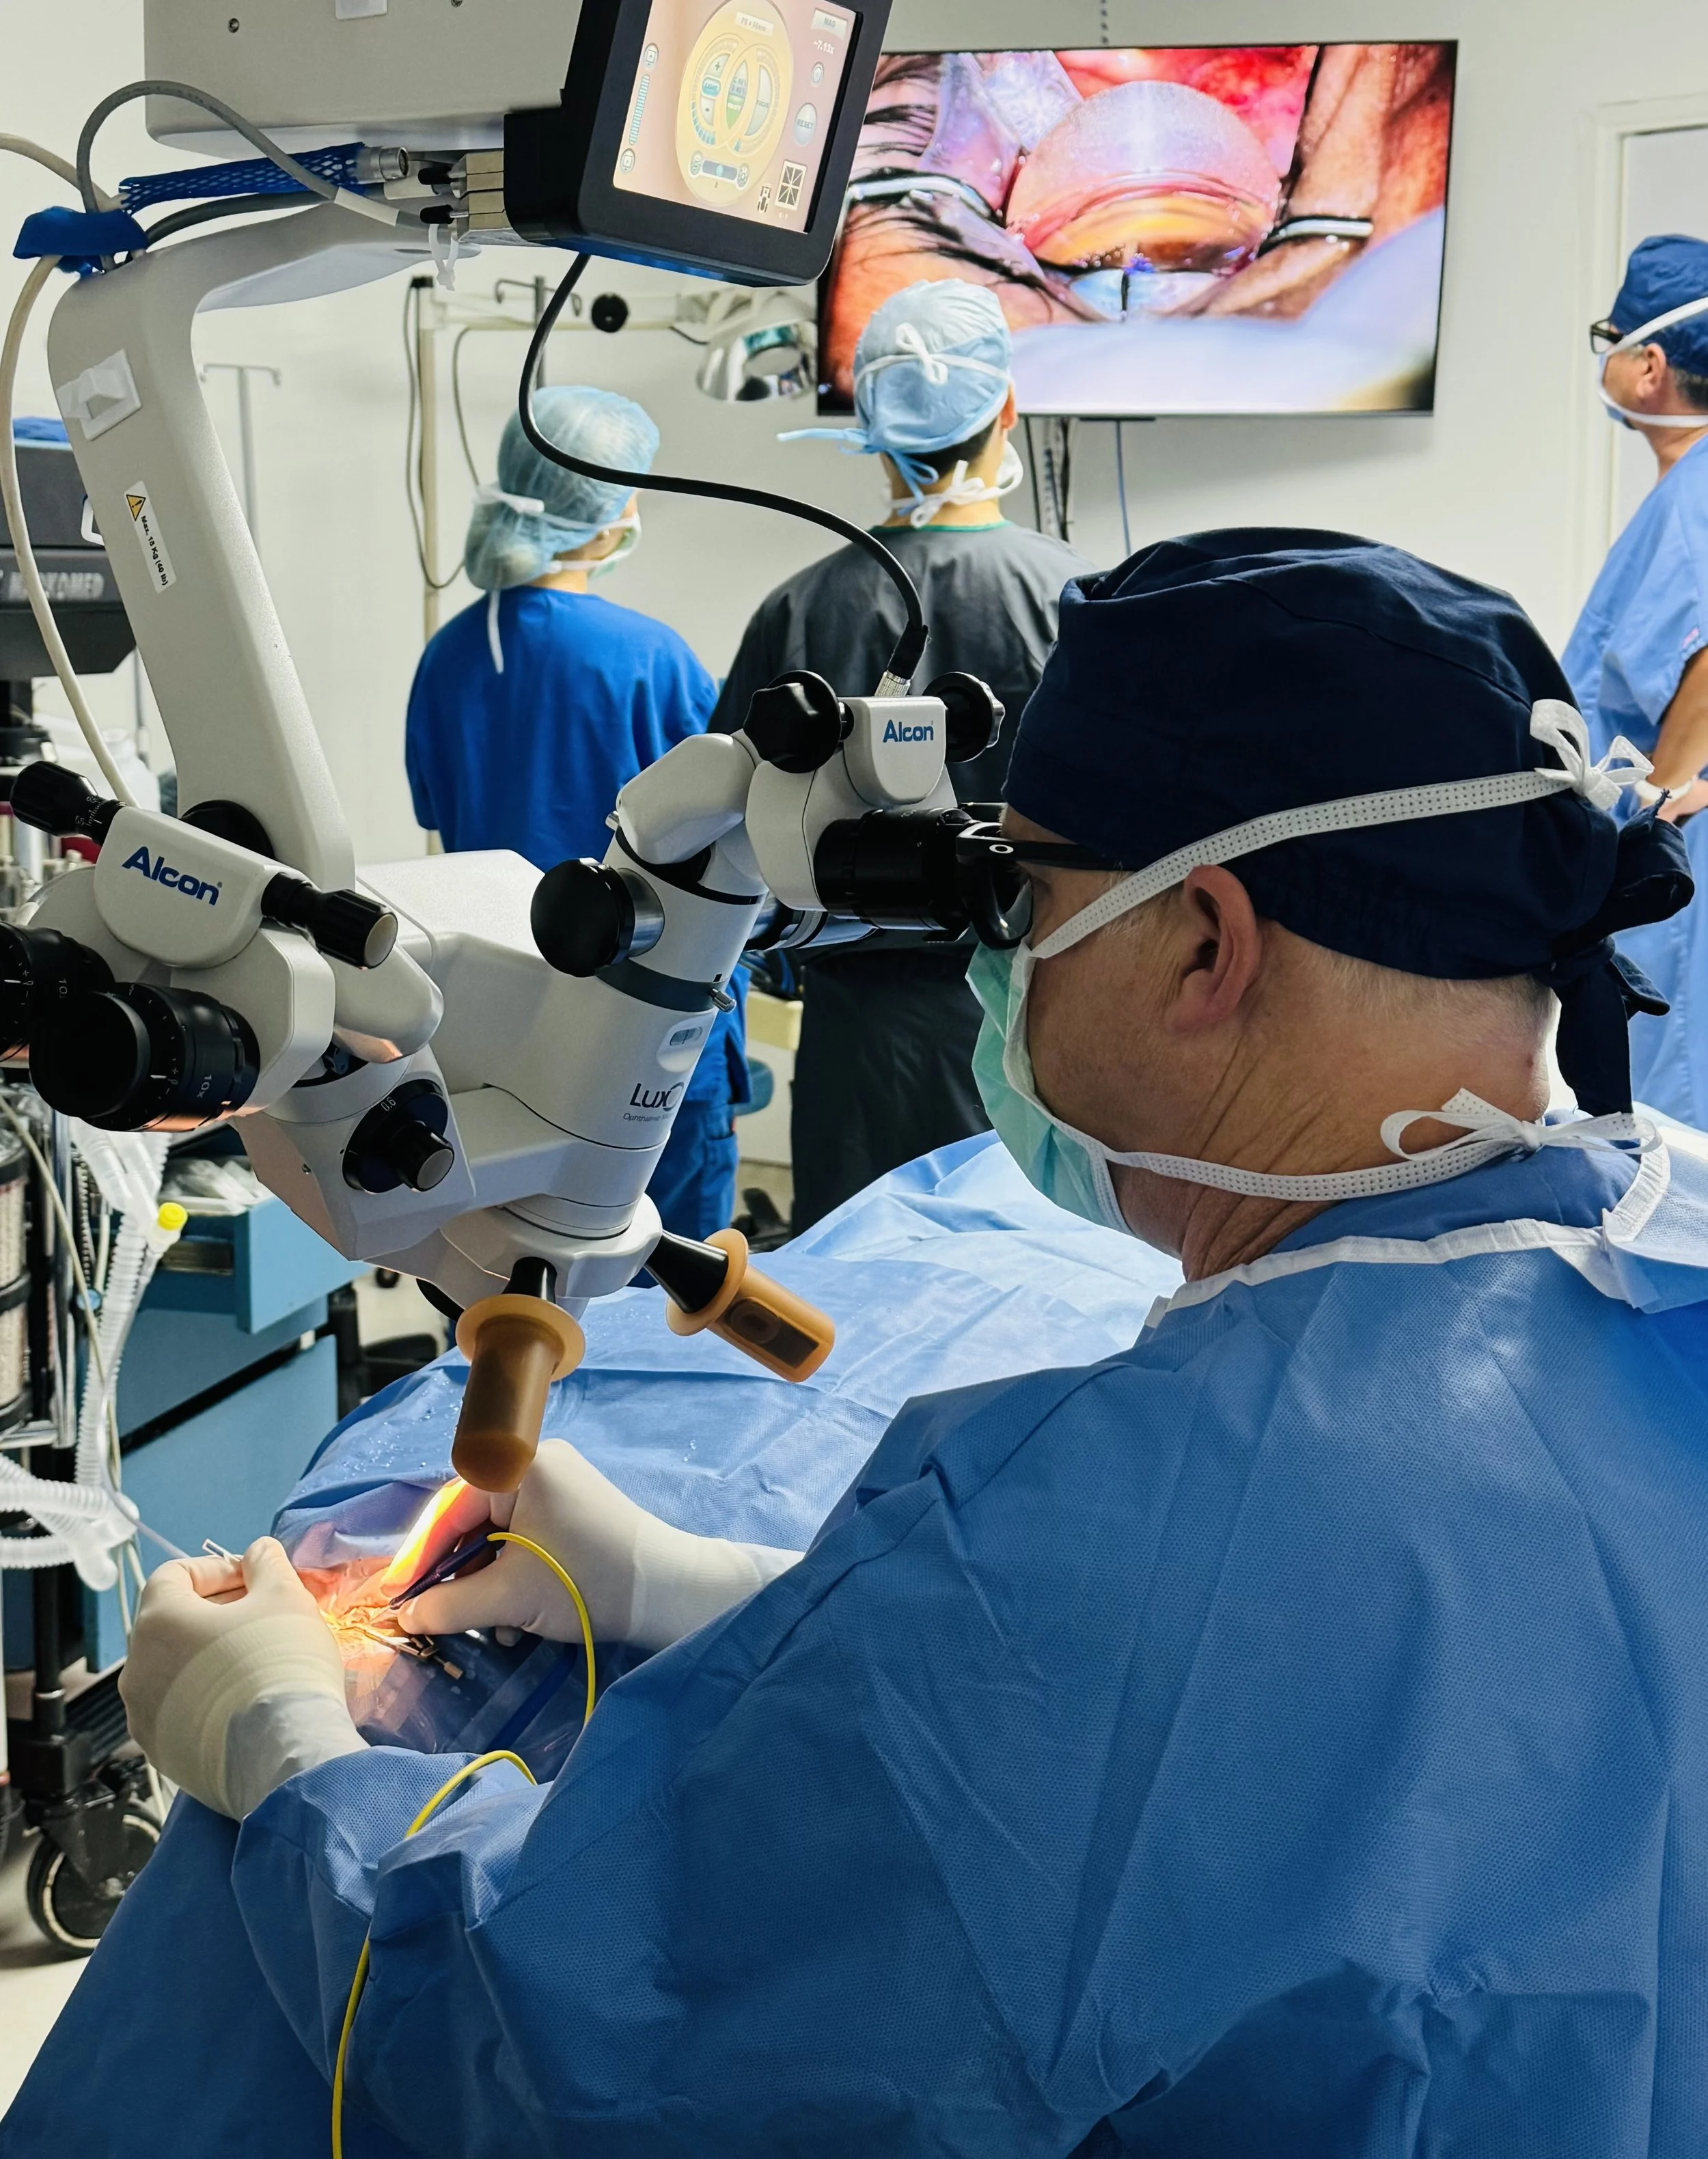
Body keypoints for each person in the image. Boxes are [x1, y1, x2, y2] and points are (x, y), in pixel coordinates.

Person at [64, 530, 1708, 2159]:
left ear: (1206, 939)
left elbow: (574, 2057)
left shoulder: (1112, 1537)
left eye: (1027, 895)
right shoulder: (1666, 1250)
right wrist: (691, 1586)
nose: (1002, 958)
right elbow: (1268, 1744)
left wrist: (282, 1752)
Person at [713, 277, 1094, 1228]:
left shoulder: (799, 607)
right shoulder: (1076, 602)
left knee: (861, 1290)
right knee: (1041, 1298)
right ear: (1005, 410)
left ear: (873, 430)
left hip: (859, 1035)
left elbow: (736, 836)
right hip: (1036, 1017)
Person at [404, 386, 749, 1239]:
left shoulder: (448, 657)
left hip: (499, 1028)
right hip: (648, 1026)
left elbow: (444, 817)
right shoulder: (648, 657)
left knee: (510, 1274)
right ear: (603, 516)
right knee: (658, 1278)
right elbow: (735, 838)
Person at [1564, 234, 1708, 1127]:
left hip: (1679, 853)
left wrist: (1665, 792)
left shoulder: (1695, 497)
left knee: (1676, 1126)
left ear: (1648, 364)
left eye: (1608, 338)